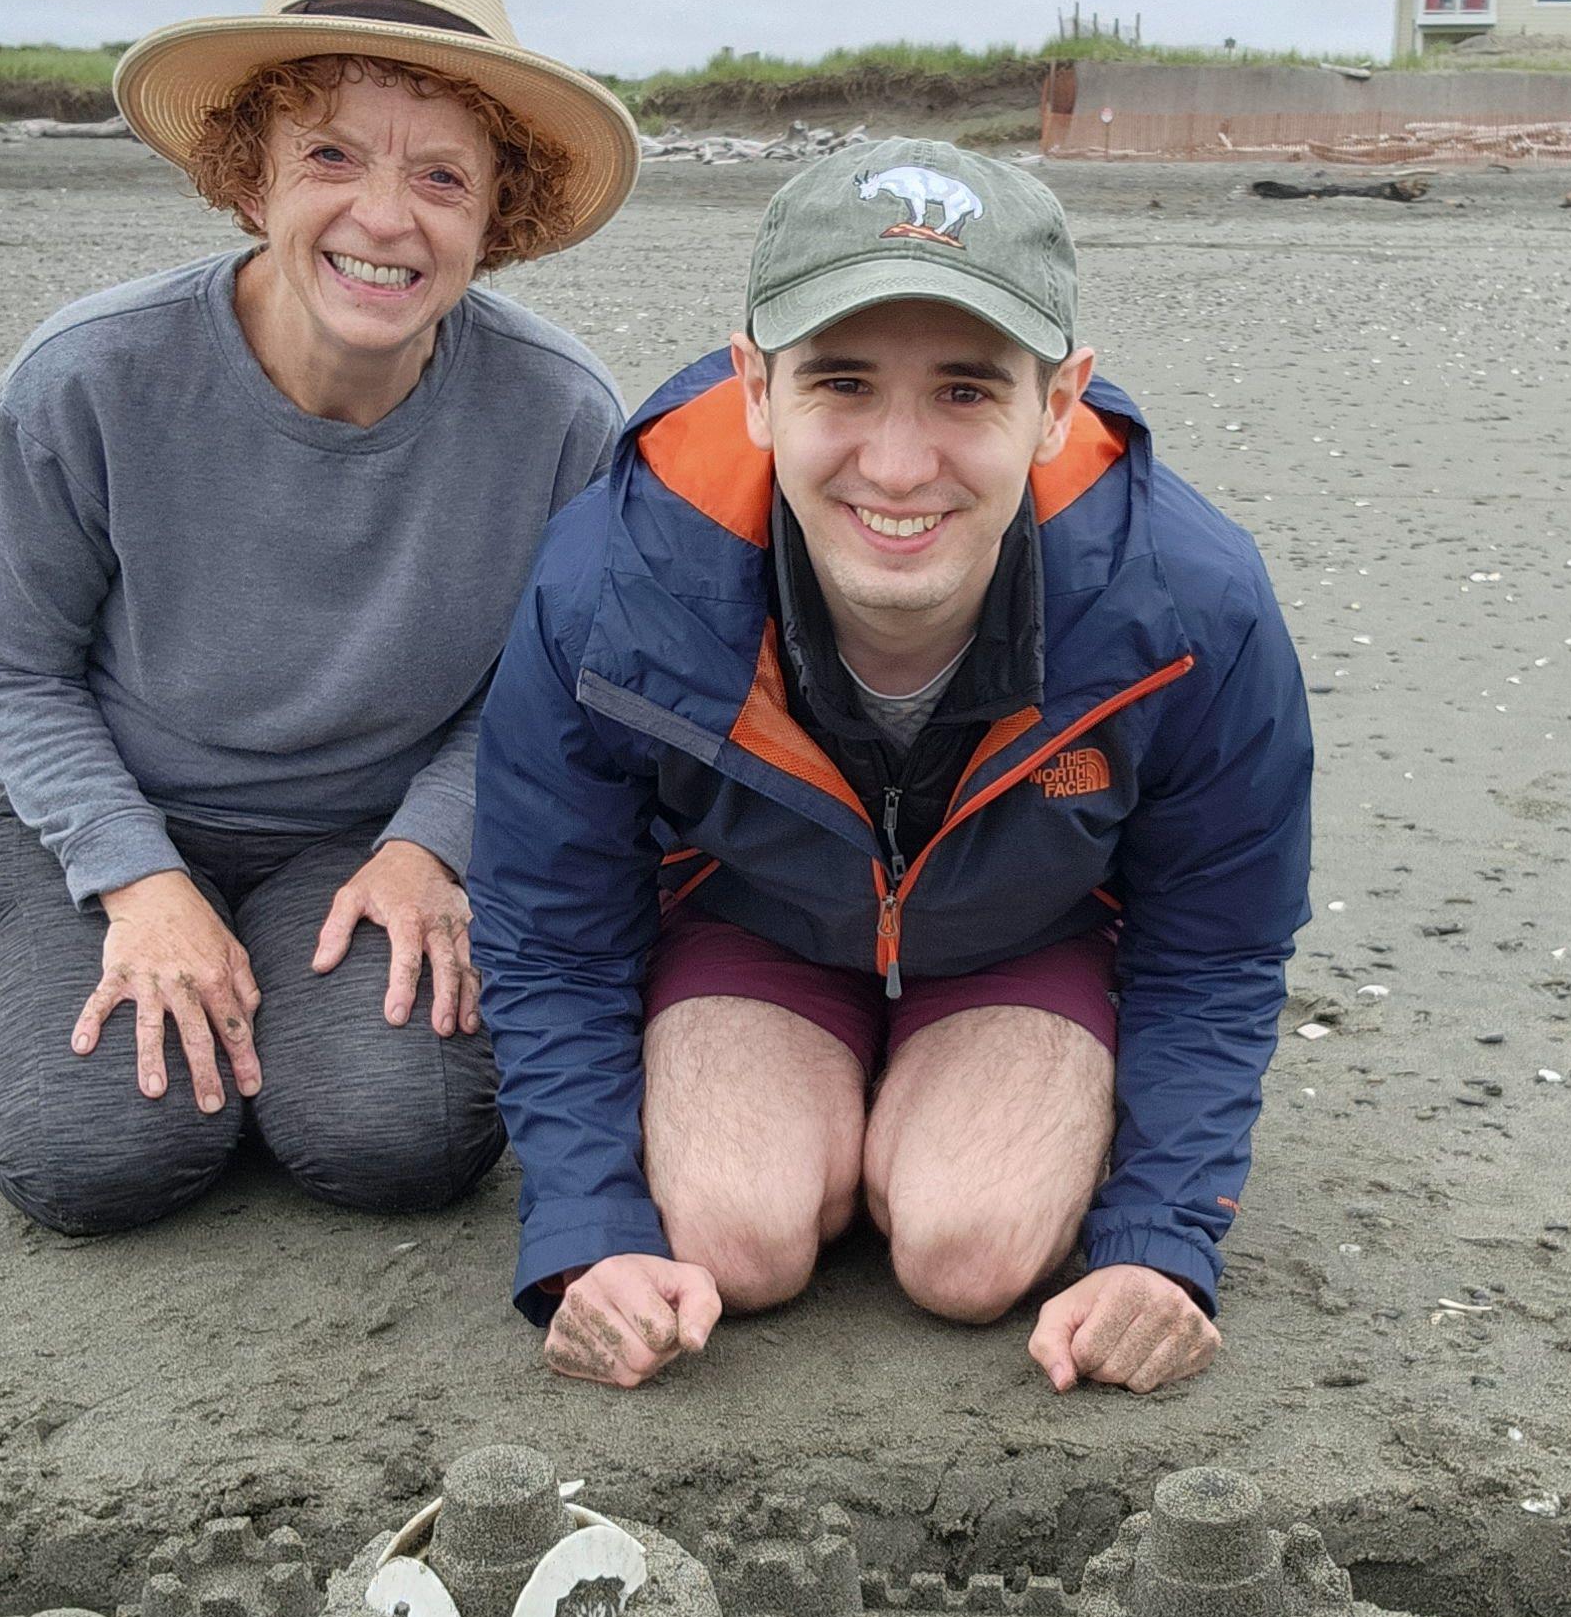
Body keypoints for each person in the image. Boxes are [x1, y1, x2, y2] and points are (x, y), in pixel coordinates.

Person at [470, 138, 1312, 1396]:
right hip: (752, 924)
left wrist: (1158, 1244)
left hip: (1028, 936)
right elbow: (551, 935)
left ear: (1061, 399)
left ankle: (929, 1104)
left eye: (968, 391)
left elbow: (1218, 946)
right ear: (757, 388)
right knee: (728, 1237)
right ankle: (830, 1101)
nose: (901, 464)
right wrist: (591, 1235)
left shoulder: (1192, 605)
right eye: (843, 383)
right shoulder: (613, 586)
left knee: (971, 1257)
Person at [0, 0, 636, 1236]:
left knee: (401, 1144)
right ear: (252, 179)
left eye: (441, 178)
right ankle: (48, 1017)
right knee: (97, 1163)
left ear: (501, 214)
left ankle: (278, 1021)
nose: (384, 216)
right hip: (102, 813)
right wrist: (139, 881)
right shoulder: (90, 376)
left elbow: (561, 683)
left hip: (365, 840)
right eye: (331, 156)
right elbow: (2, 659)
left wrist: (437, 842)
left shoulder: (560, 414)